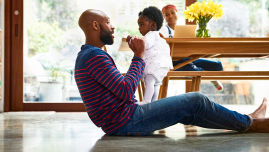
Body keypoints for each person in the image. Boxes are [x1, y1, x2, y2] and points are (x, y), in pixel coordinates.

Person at [75, 9, 269, 136]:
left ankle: (245, 121)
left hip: (120, 121)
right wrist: (139, 56)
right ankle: (251, 122)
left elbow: (121, 88)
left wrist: (138, 59)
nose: (113, 26)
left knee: (189, 112)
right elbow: (126, 91)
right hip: (125, 121)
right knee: (195, 100)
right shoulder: (94, 57)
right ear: (95, 25)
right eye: (108, 22)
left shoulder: (89, 55)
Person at [160, 4, 224, 91]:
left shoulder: (185, 29)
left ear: (177, 13)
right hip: (173, 61)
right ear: (164, 18)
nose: (170, 16)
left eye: (172, 12)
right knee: (191, 68)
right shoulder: (163, 30)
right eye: (166, 15)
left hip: (186, 57)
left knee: (216, 65)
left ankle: (206, 73)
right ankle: (209, 76)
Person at [126, 6, 173, 105]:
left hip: (154, 65)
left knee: (149, 81)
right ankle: (153, 103)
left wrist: (131, 39)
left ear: (152, 25)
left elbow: (144, 44)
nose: (139, 28)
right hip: (161, 66)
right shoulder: (158, 36)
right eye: (139, 25)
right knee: (155, 85)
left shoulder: (151, 34)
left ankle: (147, 100)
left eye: (142, 24)